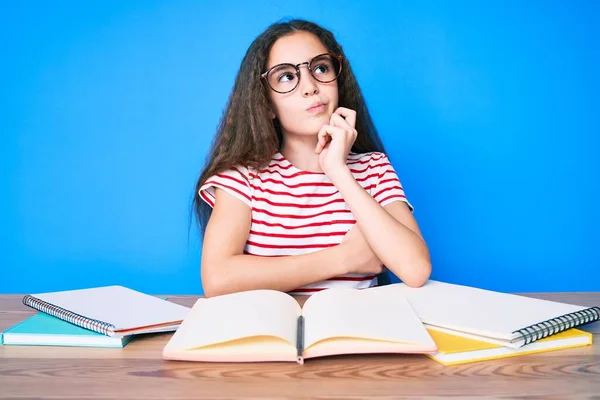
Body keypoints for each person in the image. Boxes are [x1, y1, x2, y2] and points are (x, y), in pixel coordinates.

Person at [192, 19, 431, 297]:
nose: (310, 87)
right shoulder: (243, 177)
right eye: (286, 76)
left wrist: (338, 170)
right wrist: (345, 258)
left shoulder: (373, 169)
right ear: (266, 104)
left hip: (356, 333)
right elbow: (217, 279)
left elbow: (416, 270)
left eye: (320, 68)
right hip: (271, 334)